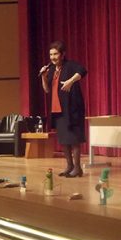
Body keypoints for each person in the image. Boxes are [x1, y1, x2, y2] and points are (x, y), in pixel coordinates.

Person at [40, 40, 87, 177]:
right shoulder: (52, 70)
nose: (53, 57)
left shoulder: (70, 66)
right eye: (51, 55)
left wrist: (70, 81)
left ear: (62, 54)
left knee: (74, 139)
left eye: (55, 54)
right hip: (57, 109)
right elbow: (47, 89)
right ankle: (69, 166)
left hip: (72, 109)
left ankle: (77, 168)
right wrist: (43, 77)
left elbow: (83, 71)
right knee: (64, 140)